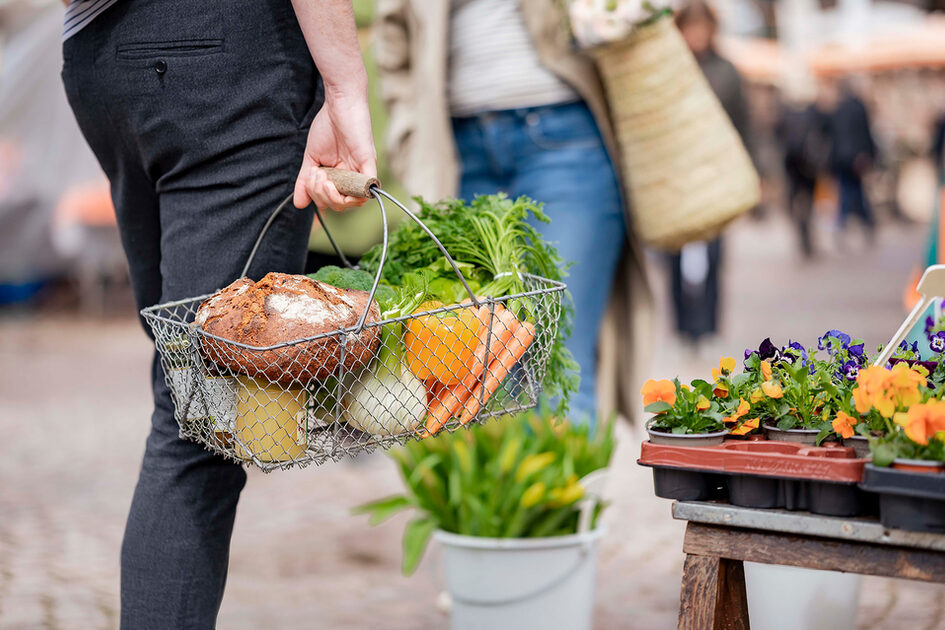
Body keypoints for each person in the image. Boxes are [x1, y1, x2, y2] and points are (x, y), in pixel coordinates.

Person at [60, 1, 376, 626]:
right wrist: (344, 87)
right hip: (223, 51)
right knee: (200, 420)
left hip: (98, 57)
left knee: (185, 397)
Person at [375, 0, 651, 425]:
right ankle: (497, 492)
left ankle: (564, 491)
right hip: (457, 150)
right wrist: (410, 136)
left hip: (564, 135)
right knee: (471, 369)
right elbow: (393, 36)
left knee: (557, 362)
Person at [668, 1, 751, 346]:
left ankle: (709, 325)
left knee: (715, 254)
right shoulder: (670, 70)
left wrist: (752, 168)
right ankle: (682, 326)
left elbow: (744, 125)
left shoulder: (727, 71)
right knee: (674, 253)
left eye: (703, 27)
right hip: (676, 175)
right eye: (691, 27)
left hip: (716, 173)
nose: (697, 34)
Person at [776, 97, 829, 259]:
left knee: (799, 202)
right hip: (806, 165)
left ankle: (804, 237)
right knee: (807, 203)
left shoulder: (784, 112)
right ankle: (806, 238)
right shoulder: (813, 111)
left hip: (794, 164)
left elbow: (777, 136)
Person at [828, 80, 877, 240]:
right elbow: (865, 133)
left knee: (847, 191)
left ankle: (845, 223)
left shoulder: (838, 109)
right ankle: (865, 223)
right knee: (855, 191)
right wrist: (869, 153)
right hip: (856, 156)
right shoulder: (858, 108)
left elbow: (833, 137)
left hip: (841, 158)